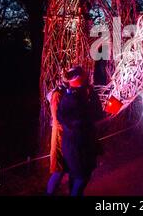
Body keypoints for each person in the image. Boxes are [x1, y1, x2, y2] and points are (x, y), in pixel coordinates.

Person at [46, 66, 104, 196]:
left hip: (70, 140)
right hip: (67, 140)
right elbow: (60, 119)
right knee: (62, 171)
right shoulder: (65, 96)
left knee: (74, 172)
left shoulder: (73, 95)